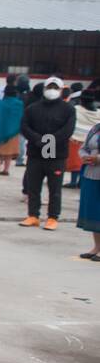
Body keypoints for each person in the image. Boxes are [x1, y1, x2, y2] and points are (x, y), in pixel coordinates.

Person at [20, 76, 76, 230]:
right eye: (49, 87)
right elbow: (24, 126)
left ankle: (52, 217)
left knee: (55, 187)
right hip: (35, 153)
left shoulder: (68, 109)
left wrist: (50, 140)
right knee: (33, 186)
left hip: (56, 154)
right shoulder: (32, 108)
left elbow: (68, 130)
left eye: (55, 87)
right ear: (44, 89)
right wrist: (38, 139)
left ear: (60, 90)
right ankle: (33, 215)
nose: (52, 90)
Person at [0, 81, 24, 175]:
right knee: (9, 152)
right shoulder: (19, 104)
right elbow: (22, 117)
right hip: (13, 131)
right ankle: (6, 170)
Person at [77, 104, 100, 261]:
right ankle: (97, 247)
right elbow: (83, 147)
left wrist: (98, 158)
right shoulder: (95, 129)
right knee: (93, 211)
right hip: (91, 173)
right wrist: (84, 156)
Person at [65, 82, 95, 188]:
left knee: (75, 163)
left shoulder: (76, 109)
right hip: (91, 141)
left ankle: (73, 181)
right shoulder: (98, 113)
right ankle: (81, 182)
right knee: (86, 163)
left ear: (81, 99)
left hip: (76, 139)